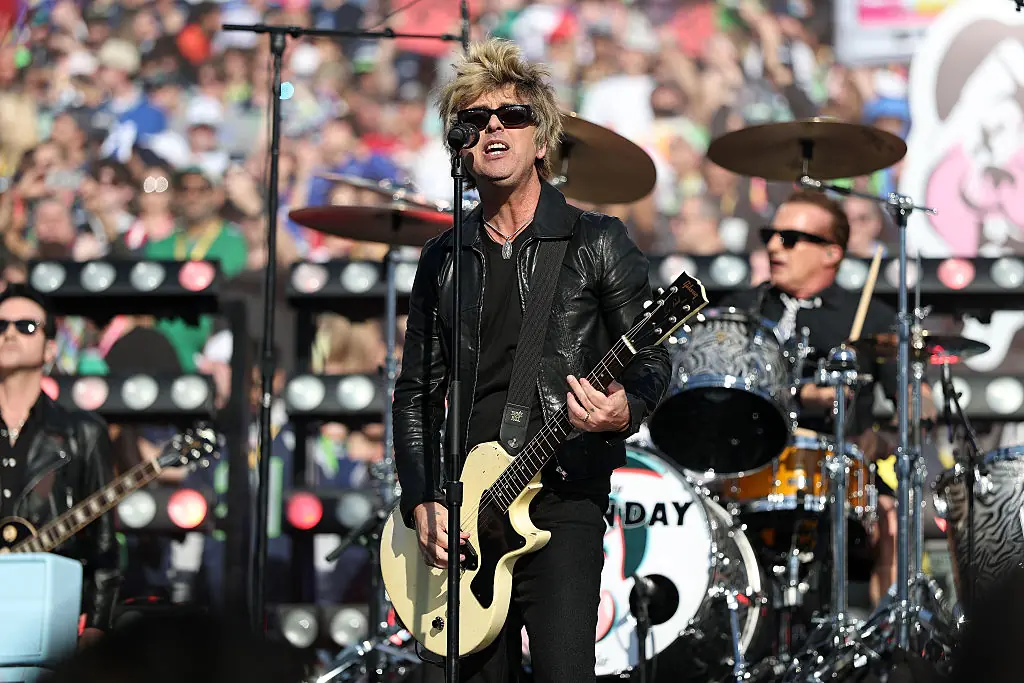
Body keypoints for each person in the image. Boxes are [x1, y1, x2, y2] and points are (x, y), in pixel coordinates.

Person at [392, 39, 671, 682]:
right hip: (463, 512)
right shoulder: (443, 257)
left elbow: (654, 363)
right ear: (460, 146)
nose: (492, 126)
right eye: (473, 120)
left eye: (511, 115)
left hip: (563, 499)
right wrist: (420, 501)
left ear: (540, 140)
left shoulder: (598, 242)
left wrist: (624, 409)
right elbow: (414, 393)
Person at [721, 189, 934, 607]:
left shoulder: (871, 318)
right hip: (744, 471)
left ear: (831, 253)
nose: (773, 245)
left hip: (840, 473)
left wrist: (880, 440)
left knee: (892, 519)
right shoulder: (742, 309)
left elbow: (920, 403)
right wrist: (798, 395)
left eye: (790, 237)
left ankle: (886, 653)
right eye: (770, 233)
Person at [0, 284, 120, 644]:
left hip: (47, 621)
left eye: (26, 327)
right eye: (0, 325)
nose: (9, 333)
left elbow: (103, 545)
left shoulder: (82, 432)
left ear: (50, 348)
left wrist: (97, 625)